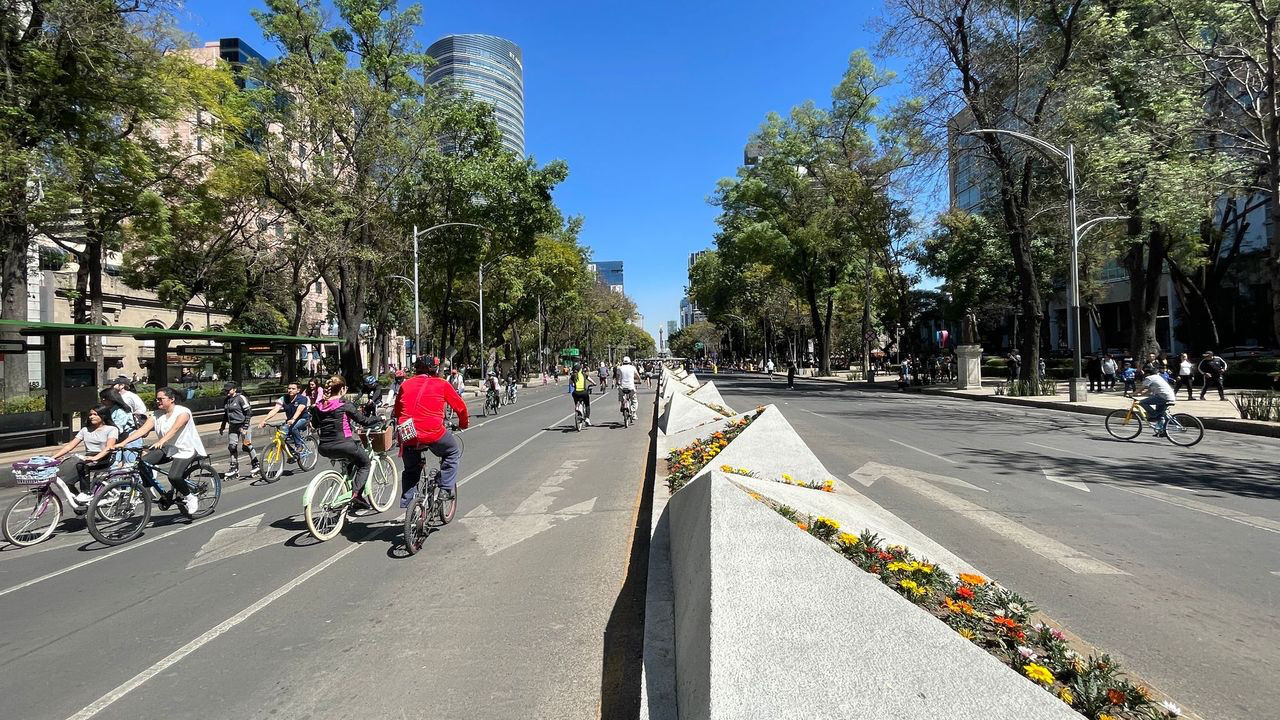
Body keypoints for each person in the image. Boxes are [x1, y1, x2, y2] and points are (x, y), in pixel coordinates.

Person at [393, 356, 469, 508]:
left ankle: (409, 503)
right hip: (432, 431)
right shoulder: (441, 384)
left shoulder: (406, 384)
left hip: (407, 432)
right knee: (452, 452)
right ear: (434, 369)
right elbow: (460, 407)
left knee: (410, 469)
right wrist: (463, 424)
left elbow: (397, 409)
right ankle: (445, 489)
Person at [121, 387, 207, 517]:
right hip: (168, 448)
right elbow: (142, 430)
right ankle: (149, 490)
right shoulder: (157, 414)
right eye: (156, 399)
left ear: (171, 399)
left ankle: (190, 497)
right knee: (142, 463)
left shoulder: (183, 412)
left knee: (174, 476)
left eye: (160, 399)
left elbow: (175, 428)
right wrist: (123, 443)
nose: (157, 401)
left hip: (185, 449)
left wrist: (162, 440)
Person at [311, 376, 379, 505]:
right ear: (342, 389)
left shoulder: (318, 406)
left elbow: (315, 424)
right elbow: (364, 421)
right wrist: (378, 418)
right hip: (344, 444)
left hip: (324, 447)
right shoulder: (345, 405)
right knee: (365, 464)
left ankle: (348, 480)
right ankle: (357, 494)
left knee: (353, 457)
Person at [50, 405, 119, 502]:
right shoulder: (85, 430)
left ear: (103, 416)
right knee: (66, 482)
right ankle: (81, 504)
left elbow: (109, 447)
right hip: (87, 459)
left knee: (82, 466)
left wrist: (96, 458)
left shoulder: (111, 429)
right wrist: (53, 458)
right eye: (90, 414)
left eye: (95, 414)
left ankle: (86, 493)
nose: (92, 417)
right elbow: (69, 446)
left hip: (105, 457)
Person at [258, 382, 311, 460]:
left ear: (298, 390)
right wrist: (264, 420)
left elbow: (299, 410)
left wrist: (293, 419)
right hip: (290, 421)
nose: (290, 390)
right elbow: (275, 410)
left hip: (303, 419)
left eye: (293, 389)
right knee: (282, 437)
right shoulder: (283, 398)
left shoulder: (303, 399)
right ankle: (292, 454)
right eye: (289, 388)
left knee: (294, 428)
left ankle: (299, 446)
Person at [218, 383, 260, 480]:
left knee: (246, 446)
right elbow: (225, 414)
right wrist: (222, 426)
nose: (226, 392)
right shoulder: (227, 400)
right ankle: (234, 467)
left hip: (243, 425)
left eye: (228, 390)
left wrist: (245, 427)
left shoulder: (241, 398)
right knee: (232, 447)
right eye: (225, 390)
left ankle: (256, 464)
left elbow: (249, 412)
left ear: (234, 389)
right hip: (232, 425)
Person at [1136, 370, 1178, 436]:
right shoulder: (1158, 377)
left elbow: (1142, 388)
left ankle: (1153, 416)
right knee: (1160, 414)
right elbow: (1149, 390)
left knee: (1142, 402)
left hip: (1163, 397)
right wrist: (1141, 395)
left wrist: (1132, 394)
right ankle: (1162, 431)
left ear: (1148, 373)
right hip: (1170, 397)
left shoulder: (1149, 377)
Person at [615, 356, 638, 420]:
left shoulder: (620, 368)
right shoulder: (633, 368)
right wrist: (639, 381)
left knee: (621, 396)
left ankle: (622, 404)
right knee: (634, 400)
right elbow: (637, 376)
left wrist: (617, 382)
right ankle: (633, 413)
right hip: (631, 387)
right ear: (630, 362)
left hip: (622, 387)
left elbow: (617, 377)